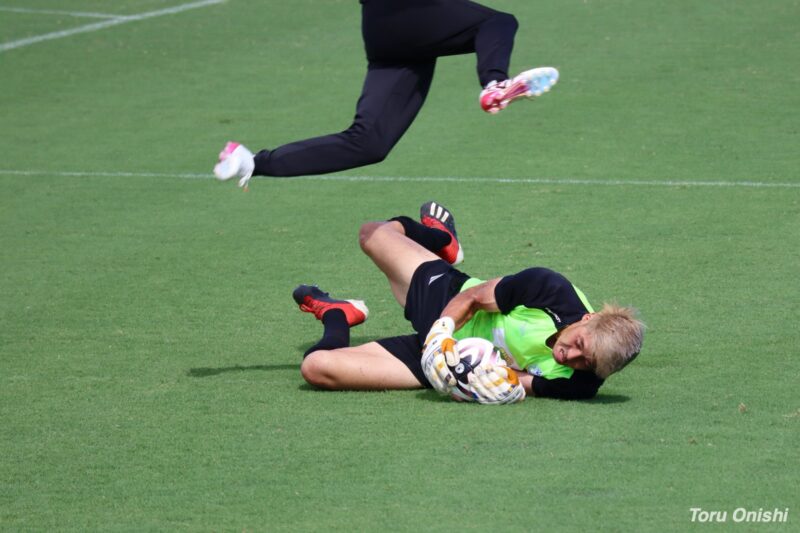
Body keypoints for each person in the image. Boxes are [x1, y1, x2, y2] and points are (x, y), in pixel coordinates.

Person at [291, 201, 645, 404]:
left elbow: (519, 383)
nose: (571, 358)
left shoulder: (582, 384)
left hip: (446, 364)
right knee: (373, 234)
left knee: (316, 368)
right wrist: (440, 334)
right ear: (589, 317)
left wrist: (474, 380)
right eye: (580, 345)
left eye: (588, 364)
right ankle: (440, 239)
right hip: (449, 302)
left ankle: (337, 314)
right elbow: (474, 299)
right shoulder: (550, 289)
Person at [213, 0, 560, 189]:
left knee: (369, 143)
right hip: (407, 12)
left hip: (384, 32)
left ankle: (253, 161)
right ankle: (494, 83)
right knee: (496, 23)